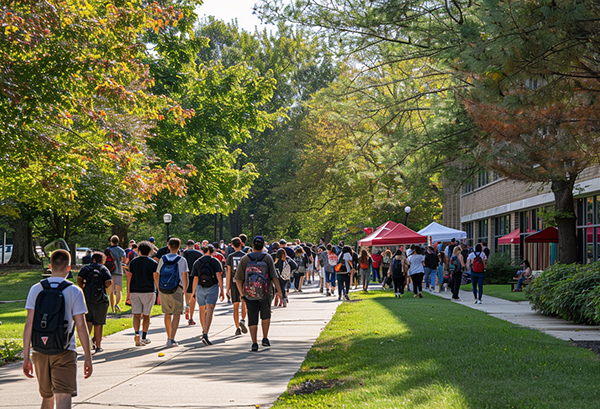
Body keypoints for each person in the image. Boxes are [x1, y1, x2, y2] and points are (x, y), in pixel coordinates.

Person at [23, 249, 93, 408]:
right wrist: (88, 356)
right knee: (63, 396)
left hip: (40, 350)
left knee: (47, 397)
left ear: (50, 266)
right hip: (65, 350)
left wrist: (26, 356)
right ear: (69, 268)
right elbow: (81, 326)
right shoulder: (74, 291)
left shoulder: (36, 289)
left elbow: (29, 324)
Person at [235, 236, 284, 352]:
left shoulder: (245, 259)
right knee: (265, 315)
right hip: (265, 293)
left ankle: (254, 343)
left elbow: (238, 279)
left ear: (252, 245)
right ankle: (265, 338)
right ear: (263, 246)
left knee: (252, 317)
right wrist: (280, 292)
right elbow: (274, 276)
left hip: (249, 293)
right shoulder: (267, 258)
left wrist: (242, 293)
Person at [77, 252, 113, 353]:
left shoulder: (86, 268)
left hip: (87, 299)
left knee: (88, 322)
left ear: (93, 259)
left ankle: (86, 345)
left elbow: (79, 279)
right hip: (101, 299)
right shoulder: (103, 269)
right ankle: (98, 346)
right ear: (102, 260)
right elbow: (108, 282)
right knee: (98, 323)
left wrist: (84, 287)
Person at [156, 237, 189, 347]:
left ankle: (168, 336)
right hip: (177, 288)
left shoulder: (163, 259)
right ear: (179, 247)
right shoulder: (181, 260)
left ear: (168, 246)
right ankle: (172, 338)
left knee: (167, 313)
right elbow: (185, 277)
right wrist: (184, 290)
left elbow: (157, 274)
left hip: (164, 289)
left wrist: (158, 287)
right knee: (176, 313)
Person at [191, 244, 224, 346]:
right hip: (212, 287)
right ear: (212, 251)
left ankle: (203, 329)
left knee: (202, 308)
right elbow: (219, 275)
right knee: (210, 309)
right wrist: (222, 290)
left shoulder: (197, 262)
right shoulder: (215, 261)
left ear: (203, 251)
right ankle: (206, 333)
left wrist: (193, 292)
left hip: (200, 287)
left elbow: (195, 278)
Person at [128, 241, 158, 346]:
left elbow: (129, 278)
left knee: (136, 314)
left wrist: (128, 293)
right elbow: (156, 278)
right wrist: (159, 292)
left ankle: (137, 334)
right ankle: (144, 337)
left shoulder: (133, 262)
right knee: (146, 315)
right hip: (149, 290)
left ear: (139, 251)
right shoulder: (153, 263)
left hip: (135, 290)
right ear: (149, 251)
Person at [227, 237, 249, 335]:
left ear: (232, 245)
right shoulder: (246, 256)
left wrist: (227, 288)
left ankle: (237, 327)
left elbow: (228, 273)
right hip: (244, 282)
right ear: (241, 244)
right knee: (244, 303)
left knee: (235, 306)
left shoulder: (230, 257)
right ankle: (243, 319)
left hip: (234, 282)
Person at [182, 240, 202, 325]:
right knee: (194, 296)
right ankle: (191, 316)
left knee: (187, 294)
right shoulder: (199, 254)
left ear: (187, 245)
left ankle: (187, 305)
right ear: (194, 245)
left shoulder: (184, 254)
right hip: (196, 276)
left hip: (186, 275)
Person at [106, 235, 126, 314]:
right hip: (118, 271)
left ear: (111, 242)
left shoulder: (108, 250)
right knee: (118, 290)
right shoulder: (121, 250)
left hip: (110, 271)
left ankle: (112, 308)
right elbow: (124, 259)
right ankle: (116, 304)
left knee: (111, 291)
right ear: (118, 242)